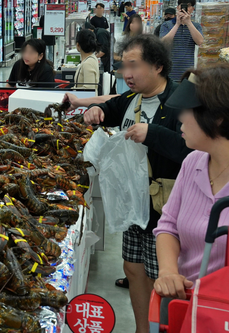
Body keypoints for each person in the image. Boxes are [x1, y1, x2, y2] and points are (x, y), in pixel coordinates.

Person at [84, 34, 191, 333]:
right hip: (134, 202)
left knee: (165, 278)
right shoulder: (133, 99)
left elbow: (194, 150)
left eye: (134, 65)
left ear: (158, 66)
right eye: (122, 66)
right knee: (133, 268)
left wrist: (153, 133)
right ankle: (142, 329)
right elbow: (110, 109)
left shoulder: (181, 100)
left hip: (165, 207)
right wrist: (97, 111)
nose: (126, 74)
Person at [153, 65, 229, 300]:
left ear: (217, 118)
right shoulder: (193, 162)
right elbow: (168, 225)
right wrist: (168, 271)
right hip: (185, 306)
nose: (180, 117)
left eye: (188, 110)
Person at [160, 0, 203, 81]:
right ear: (177, 7)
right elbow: (163, 43)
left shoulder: (196, 26)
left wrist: (189, 23)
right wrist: (177, 24)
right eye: (183, 5)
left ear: (192, 9)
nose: (185, 8)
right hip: (169, 72)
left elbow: (200, 41)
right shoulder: (166, 25)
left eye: (188, 5)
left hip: (188, 72)